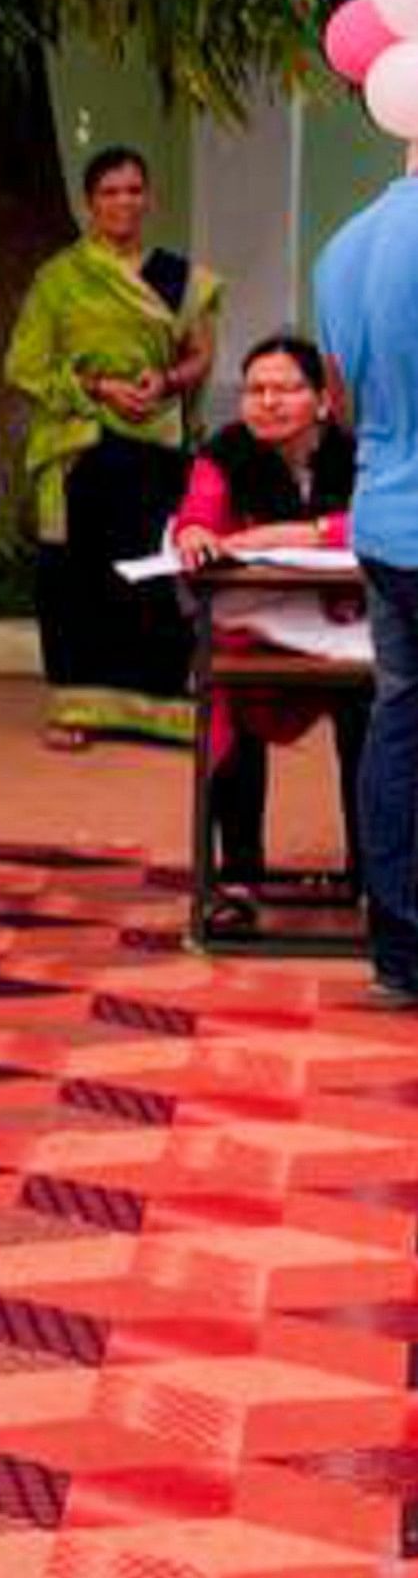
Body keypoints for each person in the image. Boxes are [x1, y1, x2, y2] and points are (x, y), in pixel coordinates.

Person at [6, 145, 220, 750]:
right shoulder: (59, 279)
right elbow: (24, 365)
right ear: (89, 203)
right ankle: (75, 707)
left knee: (152, 574)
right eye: (110, 192)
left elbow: (199, 352)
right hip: (80, 444)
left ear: (149, 198)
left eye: (134, 190)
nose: (123, 201)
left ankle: (161, 709)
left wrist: (168, 381)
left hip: (155, 442)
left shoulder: (178, 277)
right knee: (75, 578)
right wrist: (98, 387)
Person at [168, 335, 365, 933]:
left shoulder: (359, 453)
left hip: (345, 631)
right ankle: (237, 878)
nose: (268, 402)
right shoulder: (222, 453)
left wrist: (288, 536)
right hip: (255, 630)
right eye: (256, 389)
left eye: (286, 388)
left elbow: (377, 523)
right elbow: (198, 516)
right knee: (230, 699)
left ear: (323, 401)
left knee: (375, 716)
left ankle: (374, 876)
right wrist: (195, 535)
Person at [315, 140, 418, 1005]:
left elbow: (339, 399)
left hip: (383, 516)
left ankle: (398, 950)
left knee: (399, 721)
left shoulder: (345, 244)